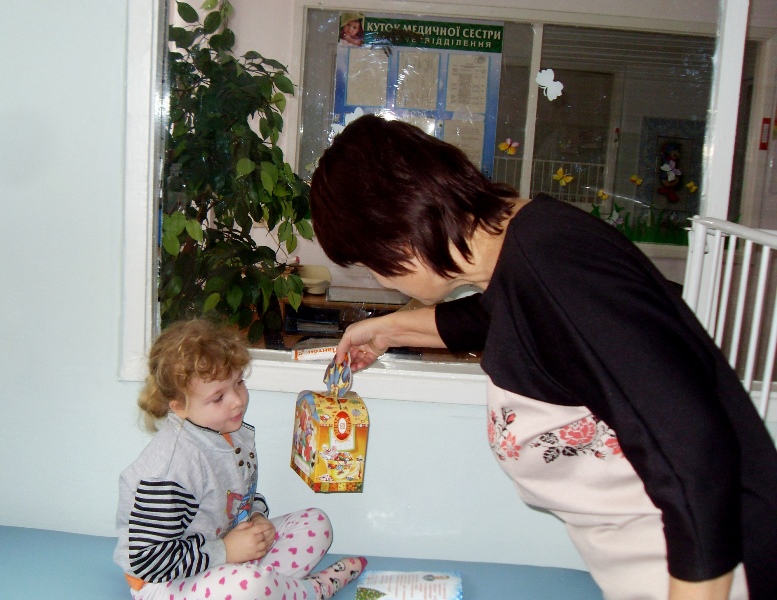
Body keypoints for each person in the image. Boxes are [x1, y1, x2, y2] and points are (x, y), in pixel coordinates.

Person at [309, 114, 777, 600]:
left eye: (371, 264)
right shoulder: (525, 251)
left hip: (718, 576)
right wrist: (388, 330)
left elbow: (694, 454)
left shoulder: (556, 262)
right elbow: (508, 318)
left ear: (397, 232)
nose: (381, 280)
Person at [114, 318, 366, 600]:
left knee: (316, 523)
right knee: (250, 584)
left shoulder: (229, 432)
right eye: (218, 397)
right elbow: (147, 559)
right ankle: (313, 590)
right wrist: (226, 550)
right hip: (164, 581)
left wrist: (257, 517)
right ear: (179, 407)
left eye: (238, 383)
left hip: (225, 554)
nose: (237, 401)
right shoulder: (171, 468)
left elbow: (237, 498)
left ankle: (273, 589)